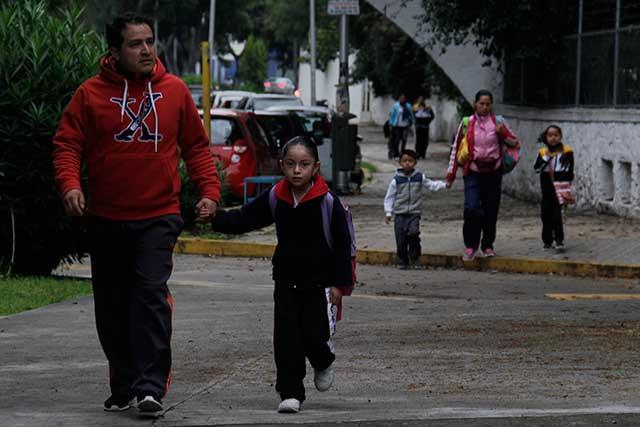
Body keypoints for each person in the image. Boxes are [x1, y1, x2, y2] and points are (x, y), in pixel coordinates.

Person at [52, 13, 220, 416]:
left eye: (150, 41)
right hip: (106, 217)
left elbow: (196, 148)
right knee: (111, 307)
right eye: (135, 44)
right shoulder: (90, 94)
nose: (146, 50)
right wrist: (70, 185)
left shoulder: (175, 91)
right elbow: (67, 144)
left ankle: (150, 387)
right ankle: (125, 382)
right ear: (115, 51)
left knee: (149, 296)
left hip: (158, 216)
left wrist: (210, 191)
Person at [209, 137, 353, 414]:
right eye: (291, 164)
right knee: (286, 338)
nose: (297, 170)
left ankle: (323, 361)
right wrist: (216, 218)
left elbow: (342, 245)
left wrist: (340, 284)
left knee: (314, 336)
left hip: (319, 283)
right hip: (285, 280)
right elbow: (246, 217)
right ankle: (290, 392)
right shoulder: (277, 196)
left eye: (304, 164)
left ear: (316, 167)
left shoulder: (328, 202)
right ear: (282, 166)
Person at [445, 90, 520, 261]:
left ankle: (487, 245)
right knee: (471, 208)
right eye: (481, 103)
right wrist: (451, 174)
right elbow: (456, 148)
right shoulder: (466, 123)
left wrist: (503, 133)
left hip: (493, 172)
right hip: (472, 172)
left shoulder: (499, 122)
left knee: (490, 210)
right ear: (475, 104)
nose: (485, 107)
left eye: (488, 104)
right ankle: (471, 245)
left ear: (491, 105)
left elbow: (514, 143)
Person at [384, 149, 447, 268]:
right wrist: (388, 212)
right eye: (404, 161)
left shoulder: (419, 177)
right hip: (400, 214)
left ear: (415, 162)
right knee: (401, 238)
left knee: (413, 233)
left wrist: (444, 184)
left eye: (410, 161)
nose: (407, 163)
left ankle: (415, 257)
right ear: (400, 163)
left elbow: (431, 185)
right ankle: (402, 259)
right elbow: (389, 197)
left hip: (414, 213)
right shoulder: (396, 180)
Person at [534, 125, 574, 251]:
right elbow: (536, 168)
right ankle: (547, 240)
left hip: (560, 184)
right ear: (546, 137)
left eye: (556, 135)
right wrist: (546, 157)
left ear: (560, 136)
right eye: (550, 135)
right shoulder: (542, 152)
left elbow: (570, 170)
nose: (553, 138)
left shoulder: (567, 151)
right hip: (546, 184)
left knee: (557, 214)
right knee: (545, 214)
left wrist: (567, 184)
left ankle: (559, 240)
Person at [387, 94, 415, 159]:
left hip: (405, 125)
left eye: (403, 98)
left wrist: (412, 122)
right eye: (401, 98)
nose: (402, 99)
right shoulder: (396, 105)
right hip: (397, 125)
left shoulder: (408, 106)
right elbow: (392, 115)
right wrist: (391, 123)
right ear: (399, 99)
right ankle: (396, 153)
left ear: (405, 99)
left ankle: (402, 152)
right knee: (397, 140)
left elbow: (411, 115)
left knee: (404, 139)